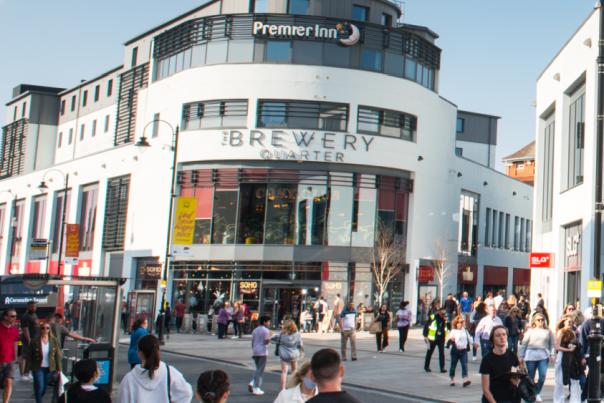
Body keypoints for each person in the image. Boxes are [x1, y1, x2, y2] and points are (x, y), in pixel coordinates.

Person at [118, 335, 193, 402]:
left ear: (139, 353)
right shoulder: (169, 373)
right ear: (158, 351)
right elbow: (187, 393)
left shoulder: (129, 378)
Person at [518, 313, 554, 402]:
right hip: (531, 355)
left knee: (542, 376)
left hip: (543, 355)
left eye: (542, 319)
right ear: (534, 321)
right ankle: (531, 396)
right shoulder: (530, 331)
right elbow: (524, 344)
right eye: (538, 320)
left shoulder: (548, 331)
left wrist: (552, 354)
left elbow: (552, 344)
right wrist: (521, 356)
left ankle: (536, 392)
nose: (541, 321)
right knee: (530, 377)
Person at [479, 325, 520, 403]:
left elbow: (515, 381)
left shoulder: (513, 356)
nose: (502, 337)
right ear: (492, 339)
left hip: (511, 398)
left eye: (504, 334)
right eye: (498, 335)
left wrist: (520, 373)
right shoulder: (487, 359)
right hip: (493, 399)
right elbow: (485, 389)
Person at [27, 320, 62, 403]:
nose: (45, 330)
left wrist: (59, 368)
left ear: (50, 329)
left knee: (44, 388)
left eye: (47, 328)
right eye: (43, 328)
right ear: (40, 329)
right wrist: (29, 368)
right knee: (40, 386)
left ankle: (38, 397)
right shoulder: (34, 341)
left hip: (50, 368)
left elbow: (57, 355)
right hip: (38, 367)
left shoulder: (54, 340)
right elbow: (30, 355)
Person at [553, 316, 582, 403]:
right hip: (562, 356)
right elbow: (557, 347)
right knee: (559, 380)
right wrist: (568, 349)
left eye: (571, 322)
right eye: (568, 322)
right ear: (564, 322)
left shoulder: (573, 332)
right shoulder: (561, 332)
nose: (570, 323)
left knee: (574, 379)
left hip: (571, 357)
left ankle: (575, 400)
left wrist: (573, 348)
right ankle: (558, 400)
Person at [272, 320, 303, 390]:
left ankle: (283, 388)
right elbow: (300, 345)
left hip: (284, 355)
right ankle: (294, 387)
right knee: (294, 371)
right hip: (294, 354)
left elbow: (277, 342)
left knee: (284, 372)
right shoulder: (297, 334)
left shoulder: (281, 334)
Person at [0, 309, 20, 403]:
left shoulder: (14, 329)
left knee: (9, 382)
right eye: (12, 316)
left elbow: (16, 344)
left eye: (15, 316)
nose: (14, 318)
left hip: (10, 360)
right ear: (5, 316)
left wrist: (16, 358)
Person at [248, 315, 271, 396]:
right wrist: (270, 338)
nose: (269, 323)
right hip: (262, 351)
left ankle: (252, 383)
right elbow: (266, 341)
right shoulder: (266, 331)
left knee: (258, 368)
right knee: (260, 370)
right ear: (264, 322)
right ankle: (256, 387)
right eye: (268, 321)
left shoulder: (255, 330)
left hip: (255, 351)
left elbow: (253, 341)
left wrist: (253, 349)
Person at [447, 315, 471, 387]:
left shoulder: (465, 331)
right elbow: (450, 338)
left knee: (464, 365)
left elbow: (469, 339)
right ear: (456, 323)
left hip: (463, 350)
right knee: (453, 365)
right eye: (459, 322)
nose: (461, 323)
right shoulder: (453, 331)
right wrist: (452, 339)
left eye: (462, 322)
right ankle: (452, 379)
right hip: (455, 350)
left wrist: (475, 343)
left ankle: (465, 380)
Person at [20, 300, 40, 381]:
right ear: (28, 307)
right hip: (28, 340)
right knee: (25, 356)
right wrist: (29, 339)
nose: (34, 308)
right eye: (32, 306)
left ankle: (27, 373)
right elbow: (25, 328)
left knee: (30, 357)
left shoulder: (34, 315)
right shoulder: (26, 316)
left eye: (35, 306)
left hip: (35, 339)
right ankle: (24, 374)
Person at [423, 308, 447, 373]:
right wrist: (425, 336)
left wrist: (446, 321)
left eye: (444, 314)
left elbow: (448, 327)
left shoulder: (445, 319)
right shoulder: (432, 317)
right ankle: (426, 366)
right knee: (429, 352)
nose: (443, 315)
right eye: (442, 314)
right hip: (432, 338)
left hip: (441, 338)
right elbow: (426, 326)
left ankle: (442, 368)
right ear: (439, 312)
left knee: (442, 353)